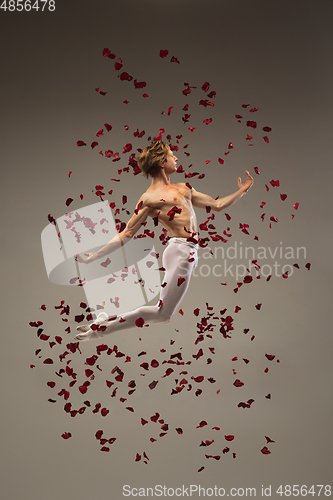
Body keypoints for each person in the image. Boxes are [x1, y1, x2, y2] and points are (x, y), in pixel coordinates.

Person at [74, 139, 253, 341]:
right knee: (163, 314)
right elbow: (127, 233)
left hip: (189, 252)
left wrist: (243, 189)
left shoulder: (184, 188)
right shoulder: (150, 198)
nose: (175, 158)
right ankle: (101, 330)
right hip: (180, 251)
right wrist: (95, 256)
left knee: (163, 313)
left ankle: (105, 322)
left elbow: (217, 204)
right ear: (161, 162)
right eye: (171, 155)